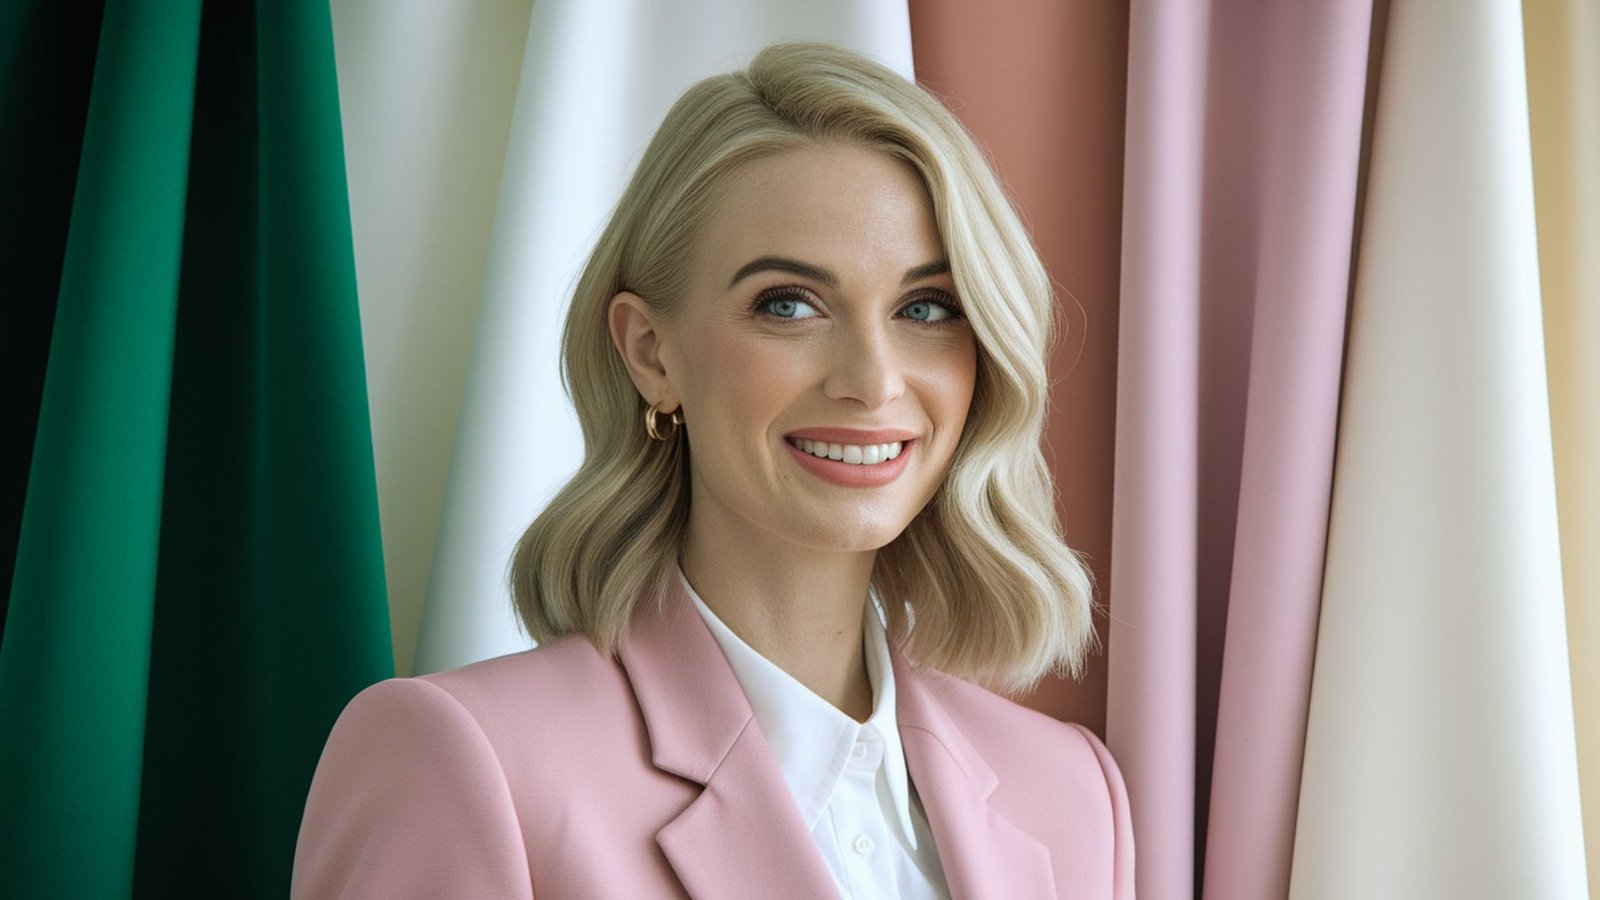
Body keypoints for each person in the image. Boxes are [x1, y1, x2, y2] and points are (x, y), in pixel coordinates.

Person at [291, 40, 1134, 899]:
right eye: (789, 304)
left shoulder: (1071, 795)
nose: (874, 380)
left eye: (926, 307)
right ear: (651, 353)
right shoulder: (465, 761)